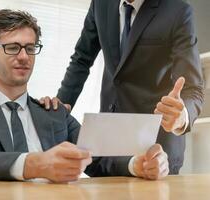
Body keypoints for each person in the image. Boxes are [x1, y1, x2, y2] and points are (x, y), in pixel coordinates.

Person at [0, 9, 168, 182]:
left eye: (30, 47)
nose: (24, 56)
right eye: (13, 47)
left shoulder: (53, 111)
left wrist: (136, 164)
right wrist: (36, 163)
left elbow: (95, 157)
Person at [40, 0, 204, 174]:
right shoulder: (100, 4)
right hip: (110, 140)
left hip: (156, 145)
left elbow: (192, 88)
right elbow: (82, 59)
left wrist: (182, 116)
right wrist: (62, 106)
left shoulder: (178, 11)